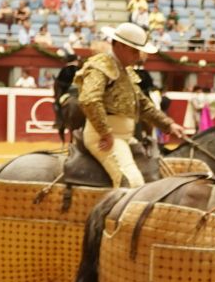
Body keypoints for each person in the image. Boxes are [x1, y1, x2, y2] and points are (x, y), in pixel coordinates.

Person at [77, 23, 186, 188]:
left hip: (126, 137)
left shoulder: (125, 71)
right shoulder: (100, 65)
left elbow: (143, 105)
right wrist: (105, 132)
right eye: (135, 50)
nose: (139, 56)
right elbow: (89, 99)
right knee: (132, 183)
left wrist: (169, 125)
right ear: (120, 45)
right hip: (105, 138)